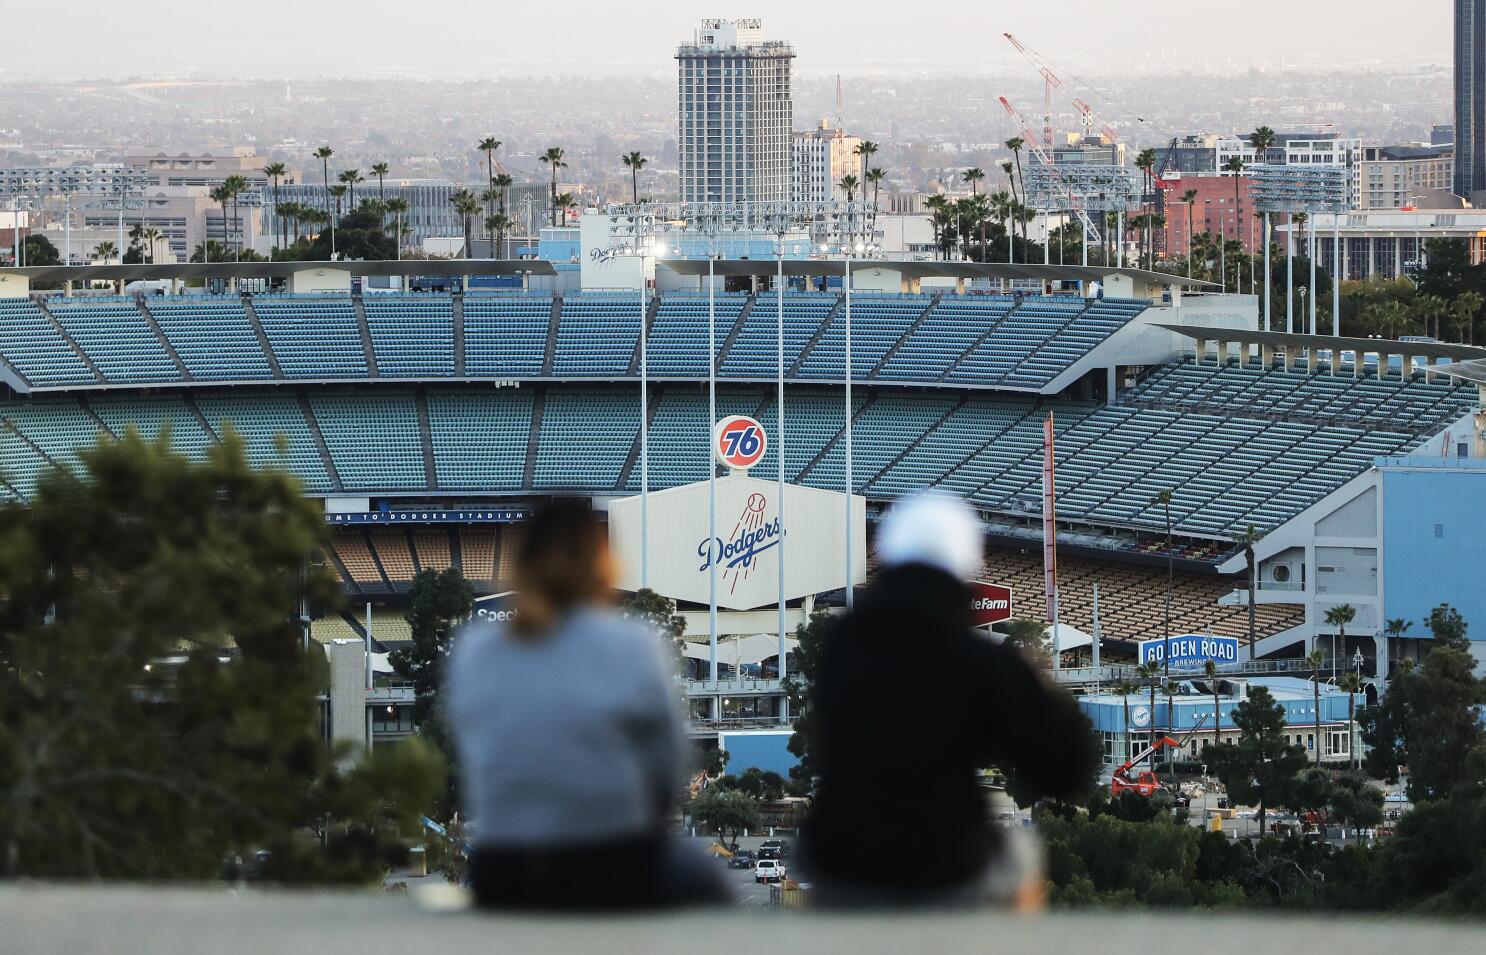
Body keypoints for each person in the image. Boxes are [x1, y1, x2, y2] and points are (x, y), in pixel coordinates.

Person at [801, 493, 1099, 906]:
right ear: (965, 564)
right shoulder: (979, 661)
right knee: (1020, 854)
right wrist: (1036, 689)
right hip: (941, 866)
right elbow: (1065, 770)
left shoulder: (839, 648)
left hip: (838, 862)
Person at [445, 499, 718, 909]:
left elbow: (473, 753)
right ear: (601, 565)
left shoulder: (475, 649)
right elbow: (668, 768)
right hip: (611, 862)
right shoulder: (633, 644)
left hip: (506, 868)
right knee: (711, 883)